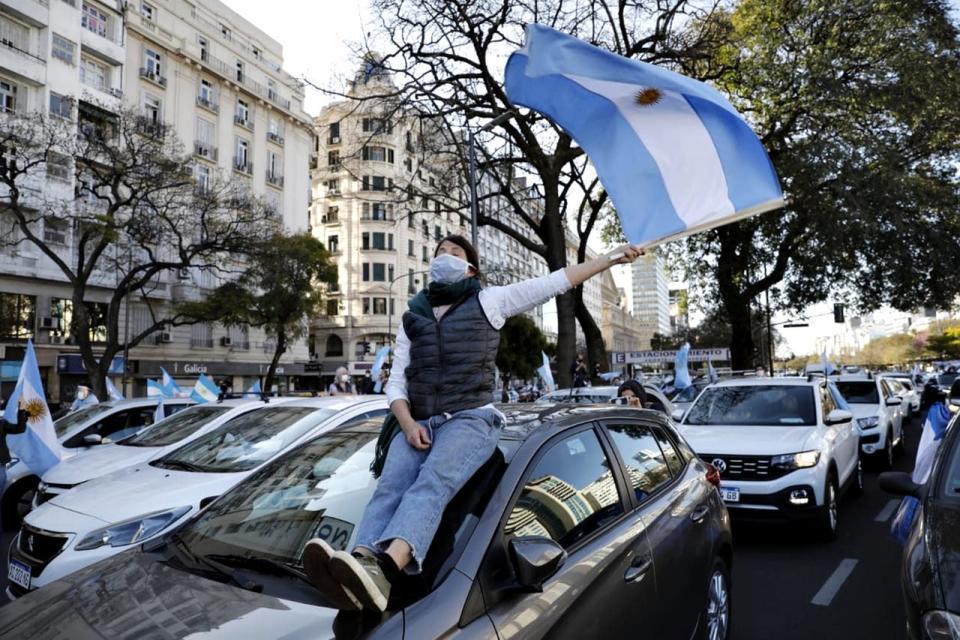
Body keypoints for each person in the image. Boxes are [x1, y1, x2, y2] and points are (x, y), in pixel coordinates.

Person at [302, 234, 642, 612]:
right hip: (417, 419)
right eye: (440, 253)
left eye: (455, 252)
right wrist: (408, 422)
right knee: (390, 486)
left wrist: (610, 259)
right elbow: (397, 380)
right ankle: (357, 564)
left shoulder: (488, 300)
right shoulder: (413, 314)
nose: (445, 256)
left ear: (471, 267)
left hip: (471, 418)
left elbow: (556, 281)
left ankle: (386, 569)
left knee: (431, 484)